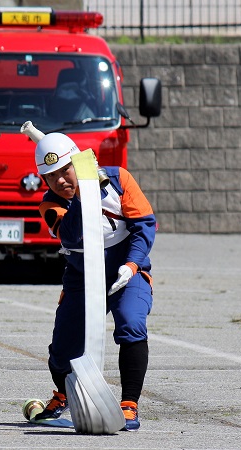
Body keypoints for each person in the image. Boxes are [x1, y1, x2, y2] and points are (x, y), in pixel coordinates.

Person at [33, 132, 156, 431]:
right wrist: (82, 194)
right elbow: (72, 235)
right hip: (82, 278)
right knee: (61, 351)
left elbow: (144, 225)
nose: (60, 180)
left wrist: (131, 264)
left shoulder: (119, 179)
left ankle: (129, 405)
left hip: (126, 270)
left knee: (131, 322)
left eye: (66, 170)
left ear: (79, 162)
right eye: (51, 177)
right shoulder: (50, 205)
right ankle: (64, 394)